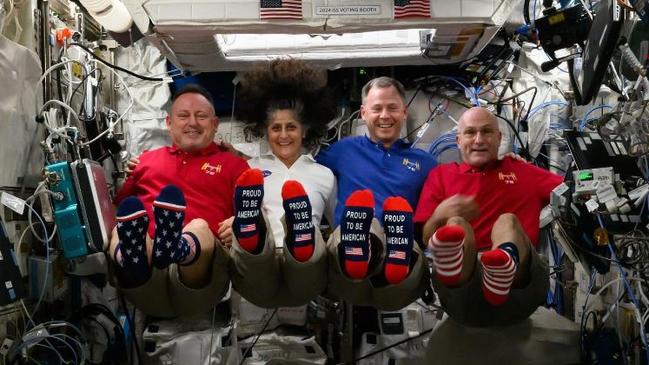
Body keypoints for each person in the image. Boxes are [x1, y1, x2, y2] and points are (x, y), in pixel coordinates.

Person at [414, 106, 563, 327]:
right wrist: (439, 215)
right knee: (455, 225)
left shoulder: (524, 172)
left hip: (519, 287)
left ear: (499, 138)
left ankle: (503, 263)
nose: (479, 139)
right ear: (458, 140)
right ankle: (457, 271)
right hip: (463, 291)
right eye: (470, 132)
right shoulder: (441, 176)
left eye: (486, 132)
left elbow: (572, 190)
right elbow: (426, 237)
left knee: (508, 221)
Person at [108, 84, 249, 317]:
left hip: (200, 276)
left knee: (199, 227)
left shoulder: (235, 165)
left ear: (214, 124)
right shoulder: (145, 161)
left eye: (201, 116)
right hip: (144, 277)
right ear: (169, 123)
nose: (192, 122)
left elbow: (256, 215)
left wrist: (238, 222)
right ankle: (133, 257)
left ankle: (178, 247)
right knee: (123, 225)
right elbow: (117, 210)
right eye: (183, 115)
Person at [317, 77, 436, 311]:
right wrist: (242, 159)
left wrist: (504, 161)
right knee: (362, 224)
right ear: (363, 113)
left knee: (401, 240)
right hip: (347, 263)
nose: (384, 116)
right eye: (377, 108)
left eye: (392, 108)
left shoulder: (426, 163)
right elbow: (298, 167)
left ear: (404, 112)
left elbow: (457, 182)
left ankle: (396, 247)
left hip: (400, 270)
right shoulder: (342, 150)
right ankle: (363, 241)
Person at [227, 58, 338, 308]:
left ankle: (300, 233)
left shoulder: (324, 174)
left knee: (309, 253)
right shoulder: (249, 169)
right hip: (259, 263)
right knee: (255, 251)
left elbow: (335, 223)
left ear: (305, 130)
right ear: (265, 131)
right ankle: (252, 229)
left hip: (305, 269)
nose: (284, 135)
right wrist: (232, 221)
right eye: (276, 128)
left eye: (291, 127)